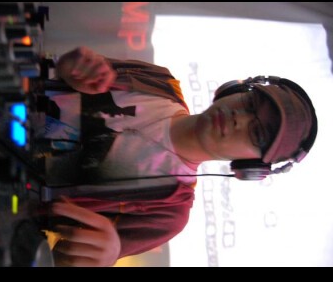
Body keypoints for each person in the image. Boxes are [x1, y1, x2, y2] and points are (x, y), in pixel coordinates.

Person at [36, 46, 317, 267]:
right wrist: (66, 65)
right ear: (234, 90)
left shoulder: (170, 211)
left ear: (251, 167)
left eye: (256, 133)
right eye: (250, 103)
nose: (238, 118)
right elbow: (56, 68)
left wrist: (101, 255)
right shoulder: (158, 80)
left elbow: (57, 258)